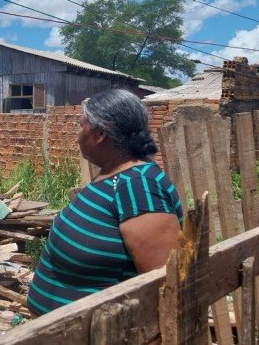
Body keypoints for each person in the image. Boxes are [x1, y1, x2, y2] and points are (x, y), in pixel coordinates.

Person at [27, 89, 182, 317]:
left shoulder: (139, 187)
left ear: (100, 134)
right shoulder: (113, 176)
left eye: (81, 126)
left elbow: (166, 288)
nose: (77, 135)